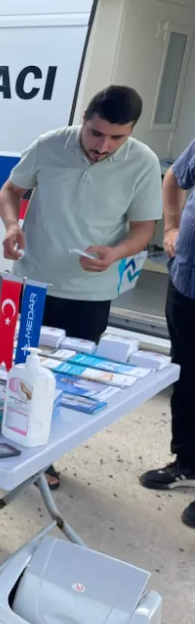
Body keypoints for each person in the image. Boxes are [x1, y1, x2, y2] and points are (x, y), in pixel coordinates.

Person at [0, 85, 161, 490]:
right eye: (96, 133)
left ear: (131, 131)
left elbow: (143, 229)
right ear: (84, 118)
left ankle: (44, 458)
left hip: (90, 292)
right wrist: (12, 226)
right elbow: (11, 190)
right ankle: (3, 441)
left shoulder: (143, 161)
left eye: (117, 138)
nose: (103, 147)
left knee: (66, 381)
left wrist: (115, 252)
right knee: (11, 368)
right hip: (31, 282)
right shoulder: (50, 145)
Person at [139, 139, 195, 528]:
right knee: (186, 379)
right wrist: (172, 227)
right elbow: (174, 177)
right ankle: (187, 462)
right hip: (186, 282)